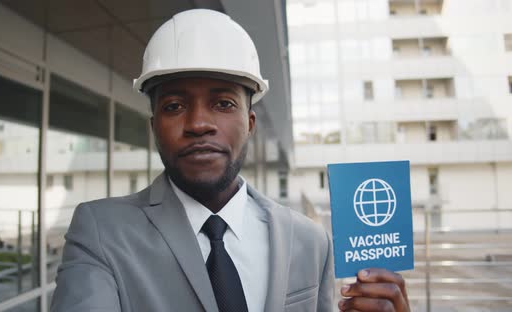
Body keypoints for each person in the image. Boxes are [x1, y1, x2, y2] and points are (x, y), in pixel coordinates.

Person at [50, 9, 409, 312]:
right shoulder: (101, 232)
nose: (198, 124)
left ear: (250, 123)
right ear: (154, 126)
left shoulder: (310, 240)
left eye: (223, 103)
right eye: (174, 106)